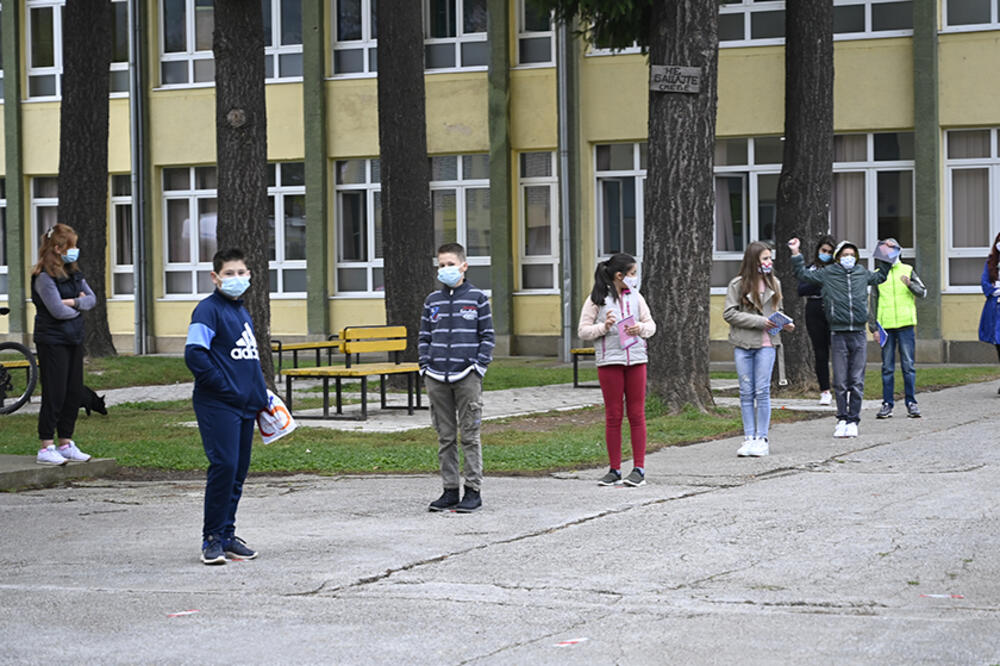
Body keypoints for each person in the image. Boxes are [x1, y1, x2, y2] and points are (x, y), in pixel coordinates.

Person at [185, 248, 268, 565]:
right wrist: (224, 386)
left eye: (241, 273)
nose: (236, 279)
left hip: (245, 406)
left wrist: (261, 396)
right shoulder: (208, 310)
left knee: (238, 471)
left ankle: (228, 534)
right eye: (229, 273)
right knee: (224, 467)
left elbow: (248, 360)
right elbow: (195, 354)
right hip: (218, 404)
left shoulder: (241, 311)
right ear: (215, 277)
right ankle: (212, 538)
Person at [419, 243, 495, 513]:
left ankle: (473, 491)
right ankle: (450, 490)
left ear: (464, 265)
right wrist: (424, 365)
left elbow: (487, 336)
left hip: (467, 377)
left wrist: (478, 366)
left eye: (450, 264)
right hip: (436, 375)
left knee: (469, 436)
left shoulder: (477, 298)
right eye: (441, 265)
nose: (445, 270)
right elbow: (425, 335)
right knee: (445, 436)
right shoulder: (432, 301)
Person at [791, 237, 889, 438]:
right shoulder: (828, 273)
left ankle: (854, 420)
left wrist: (885, 254)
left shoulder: (862, 273)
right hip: (838, 333)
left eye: (852, 255)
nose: (849, 258)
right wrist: (796, 253)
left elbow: (881, 277)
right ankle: (842, 418)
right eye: (845, 255)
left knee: (856, 380)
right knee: (841, 381)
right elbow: (802, 274)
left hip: (859, 334)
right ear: (837, 258)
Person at [577, 253, 656, 485]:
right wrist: (605, 327)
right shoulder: (596, 299)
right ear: (619, 276)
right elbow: (583, 331)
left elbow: (651, 325)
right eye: (632, 274)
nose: (635, 278)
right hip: (610, 362)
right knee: (613, 415)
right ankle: (614, 469)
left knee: (637, 414)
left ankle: (639, 469)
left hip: (636, 361)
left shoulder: (636, 298)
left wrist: (640, 328)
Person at [32, 224, 96, 466]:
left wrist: (73, 303)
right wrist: (76, 305)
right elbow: (56, 311)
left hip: (73, 339)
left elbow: (91, 299)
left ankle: (66, 443)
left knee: (73, 391)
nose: (75, 250)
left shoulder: (74, 273)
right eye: (71, 246)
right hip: (52, 341)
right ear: (58, 248)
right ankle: (46, 445)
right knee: (54, 392)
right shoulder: (43, 277)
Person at [723, 241, 795, 457]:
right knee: (746, 392)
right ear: (753, 261)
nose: (768, 262)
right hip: (744, 344)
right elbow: (730, 314)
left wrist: (785, 324)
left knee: (762, 390)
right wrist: (760, 321)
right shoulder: (737, 284)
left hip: (767, 345)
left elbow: (777, 311)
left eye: (769, 258)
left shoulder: (775, 284)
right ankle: (749, 438)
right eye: (764, 258)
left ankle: (762, 438)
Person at [869, 238, 926, 419]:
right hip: (886, 327)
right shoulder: (878, 274)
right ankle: (887, 404)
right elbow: (873, 302)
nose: (889, 252)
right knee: (887, 367)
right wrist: (873, 328)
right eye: (885, 249)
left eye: (892, 248)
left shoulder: (907, 270)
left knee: (908, 365)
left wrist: (910, 284)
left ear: (898, 250)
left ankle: (911, 402)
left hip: (905, 325)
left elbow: (923, 292)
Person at [797, 235, 836, 406]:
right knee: (820, 352)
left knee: (838, 350)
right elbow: (802, 289)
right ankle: (825, 390)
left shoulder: (837, 268)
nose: (826, 254)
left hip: (832, 309)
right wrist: (820, 280)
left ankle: (844, 387)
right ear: (818, 250)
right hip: (814, 309)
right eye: (823, 251)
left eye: (829, 252)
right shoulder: (810, 268)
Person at [978, 231, 1000, 395]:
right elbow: (985, 284)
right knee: (998, 345)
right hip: (995, 309)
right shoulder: (991, 262)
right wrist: (995, 291)